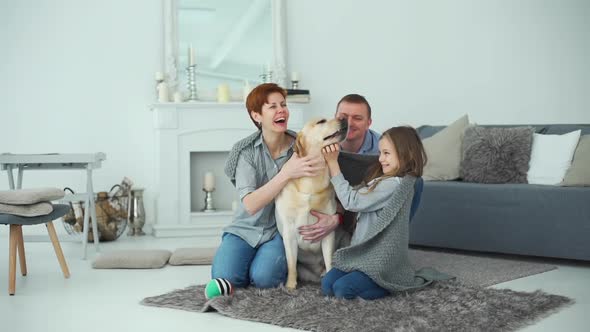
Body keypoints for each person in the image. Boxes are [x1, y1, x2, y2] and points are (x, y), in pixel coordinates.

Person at [212, 83, 324, 288]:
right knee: (226, 279)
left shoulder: (302, 145)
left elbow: (326, 163)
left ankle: (257, 267)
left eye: (283, 104)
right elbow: (251, 204)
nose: (281, 110)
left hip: (278, 232)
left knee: (265, 279)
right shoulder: (245, 152)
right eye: (272, 106)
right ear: (257, 116)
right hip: (244, 230)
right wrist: (287, 173)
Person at [320, 126, 432, 300]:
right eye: (380, 153)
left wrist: (333, 163)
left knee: (343, 290)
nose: (381, 159)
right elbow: (360, 193)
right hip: (359, 253)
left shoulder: (394, 184)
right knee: (327, 285)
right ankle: (366, 280)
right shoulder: (383, 179)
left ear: (406, 154)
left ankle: (390, 287)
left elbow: (352, 201)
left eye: (386, 153)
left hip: (375, 258)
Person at [298, 94, 380, 242]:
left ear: (369, 123)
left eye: (357, 118)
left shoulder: (382, 149)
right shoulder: (321, 142)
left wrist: (338, 218)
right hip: (336, 206)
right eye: (343, 117)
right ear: (335, 117)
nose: (349, 123)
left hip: (366, 206)